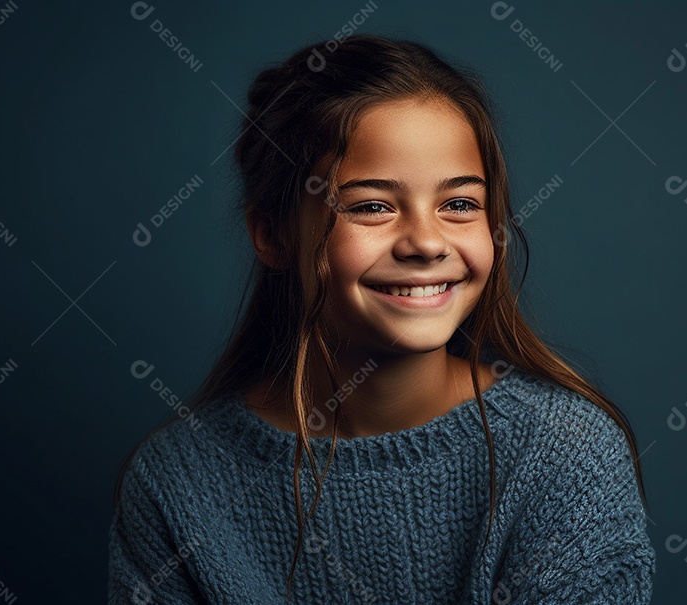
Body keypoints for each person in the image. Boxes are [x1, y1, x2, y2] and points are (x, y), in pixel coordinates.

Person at [108, 34, 655, 604]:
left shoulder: (565, 454)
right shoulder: (174, 484)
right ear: (273, 234)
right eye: (372, 206)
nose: (425, 241)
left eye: (459, 204)